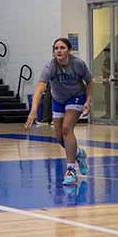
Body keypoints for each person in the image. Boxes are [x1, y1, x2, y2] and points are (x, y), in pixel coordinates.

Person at [25, 37, 93, 186]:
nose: (59, 51)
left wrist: (88, 101)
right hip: (58, 100)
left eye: (62, 48)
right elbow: (40, 87)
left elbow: (89, 82)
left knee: (67, 129)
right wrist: (34, 109)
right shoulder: (50, 66)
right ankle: (78, 154)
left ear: (68, 50)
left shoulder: (78, 64)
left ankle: (70, 170)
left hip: (76, 97)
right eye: (56, 48)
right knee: (60, 138)